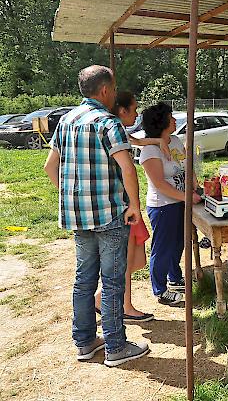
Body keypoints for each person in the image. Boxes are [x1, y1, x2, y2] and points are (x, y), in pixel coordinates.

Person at [43, 65, 149, 367]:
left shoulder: (65, 121)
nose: (115, 94)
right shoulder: (107, 122)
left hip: (78, 216)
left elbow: (50, 167)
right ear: (105, 90)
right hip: (109, 215)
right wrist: (134, 206)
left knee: (83, 281)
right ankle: (116, 346)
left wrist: (71, 197)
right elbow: (127, 167)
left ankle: (85, 342)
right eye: (113, 89)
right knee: (113, 281)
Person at [92, 91, 169, 322]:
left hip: (121, 206)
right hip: (123, 207)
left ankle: (101, 298)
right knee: (125, 260)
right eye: (134, 109)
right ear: (122, 110)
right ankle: (124, 306)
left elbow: (136, 140)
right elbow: (129, 166)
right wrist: (133, 204)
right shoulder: (113, 128)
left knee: (134, 259)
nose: (137, 115)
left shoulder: (115, 130)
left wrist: (157, 141)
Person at [139, 102, 201, 306]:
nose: (174, 120)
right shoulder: (149, 150)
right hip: (163, 206)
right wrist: (187, 197)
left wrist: (194, 184)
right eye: (171, 117)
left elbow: (185, 165)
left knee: (178, 242)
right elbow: (159, 184)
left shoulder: (174, 140)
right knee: (163, 247)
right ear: (162, 122)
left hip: (180, 201)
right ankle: (160, 289)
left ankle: (175, 277)